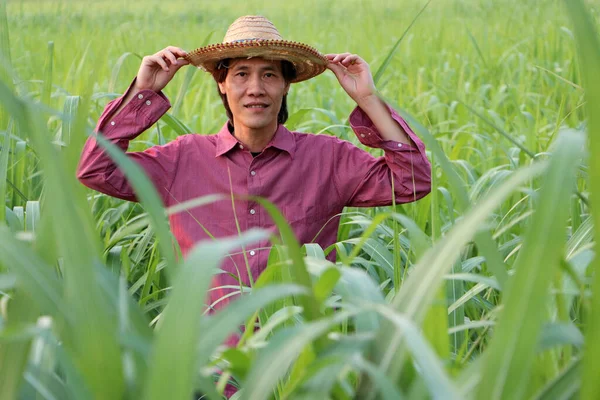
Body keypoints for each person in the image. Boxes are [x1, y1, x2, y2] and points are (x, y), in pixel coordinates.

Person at [77, 15, 431, 313]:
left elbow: (411, 181)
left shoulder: (327, 159)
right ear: (222, 84)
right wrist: (144, 90)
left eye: (269, 75)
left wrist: (367, 98)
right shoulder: (182, 160)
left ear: (286, 86)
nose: (256, 88)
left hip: (297, 365)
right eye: (241, 74)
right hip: (209, 369)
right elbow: (96, 169)